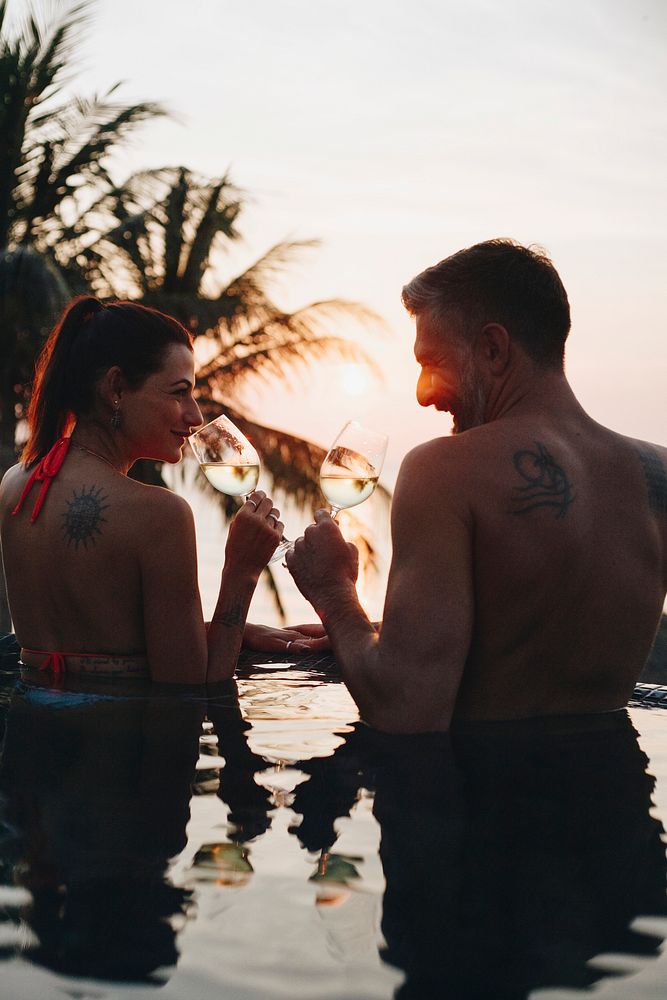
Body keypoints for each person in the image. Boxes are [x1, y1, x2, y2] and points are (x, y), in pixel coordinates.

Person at [286, 239, 667, 732]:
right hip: (619, 797)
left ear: (492, 348)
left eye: (431, 363)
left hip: (483, 800)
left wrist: (334, 593)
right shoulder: (657, 475)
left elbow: (406, 710)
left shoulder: (443, 470)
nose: (423, 395)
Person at [0, 296, 323, 685]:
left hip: (31, 735)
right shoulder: (159, 514)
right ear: (116, 387)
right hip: (116, 741)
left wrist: (220, 631)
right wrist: (243, 571)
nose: (196, 415)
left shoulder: (16, 483)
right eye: (178, 392)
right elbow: (192, 691)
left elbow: (97, 637)